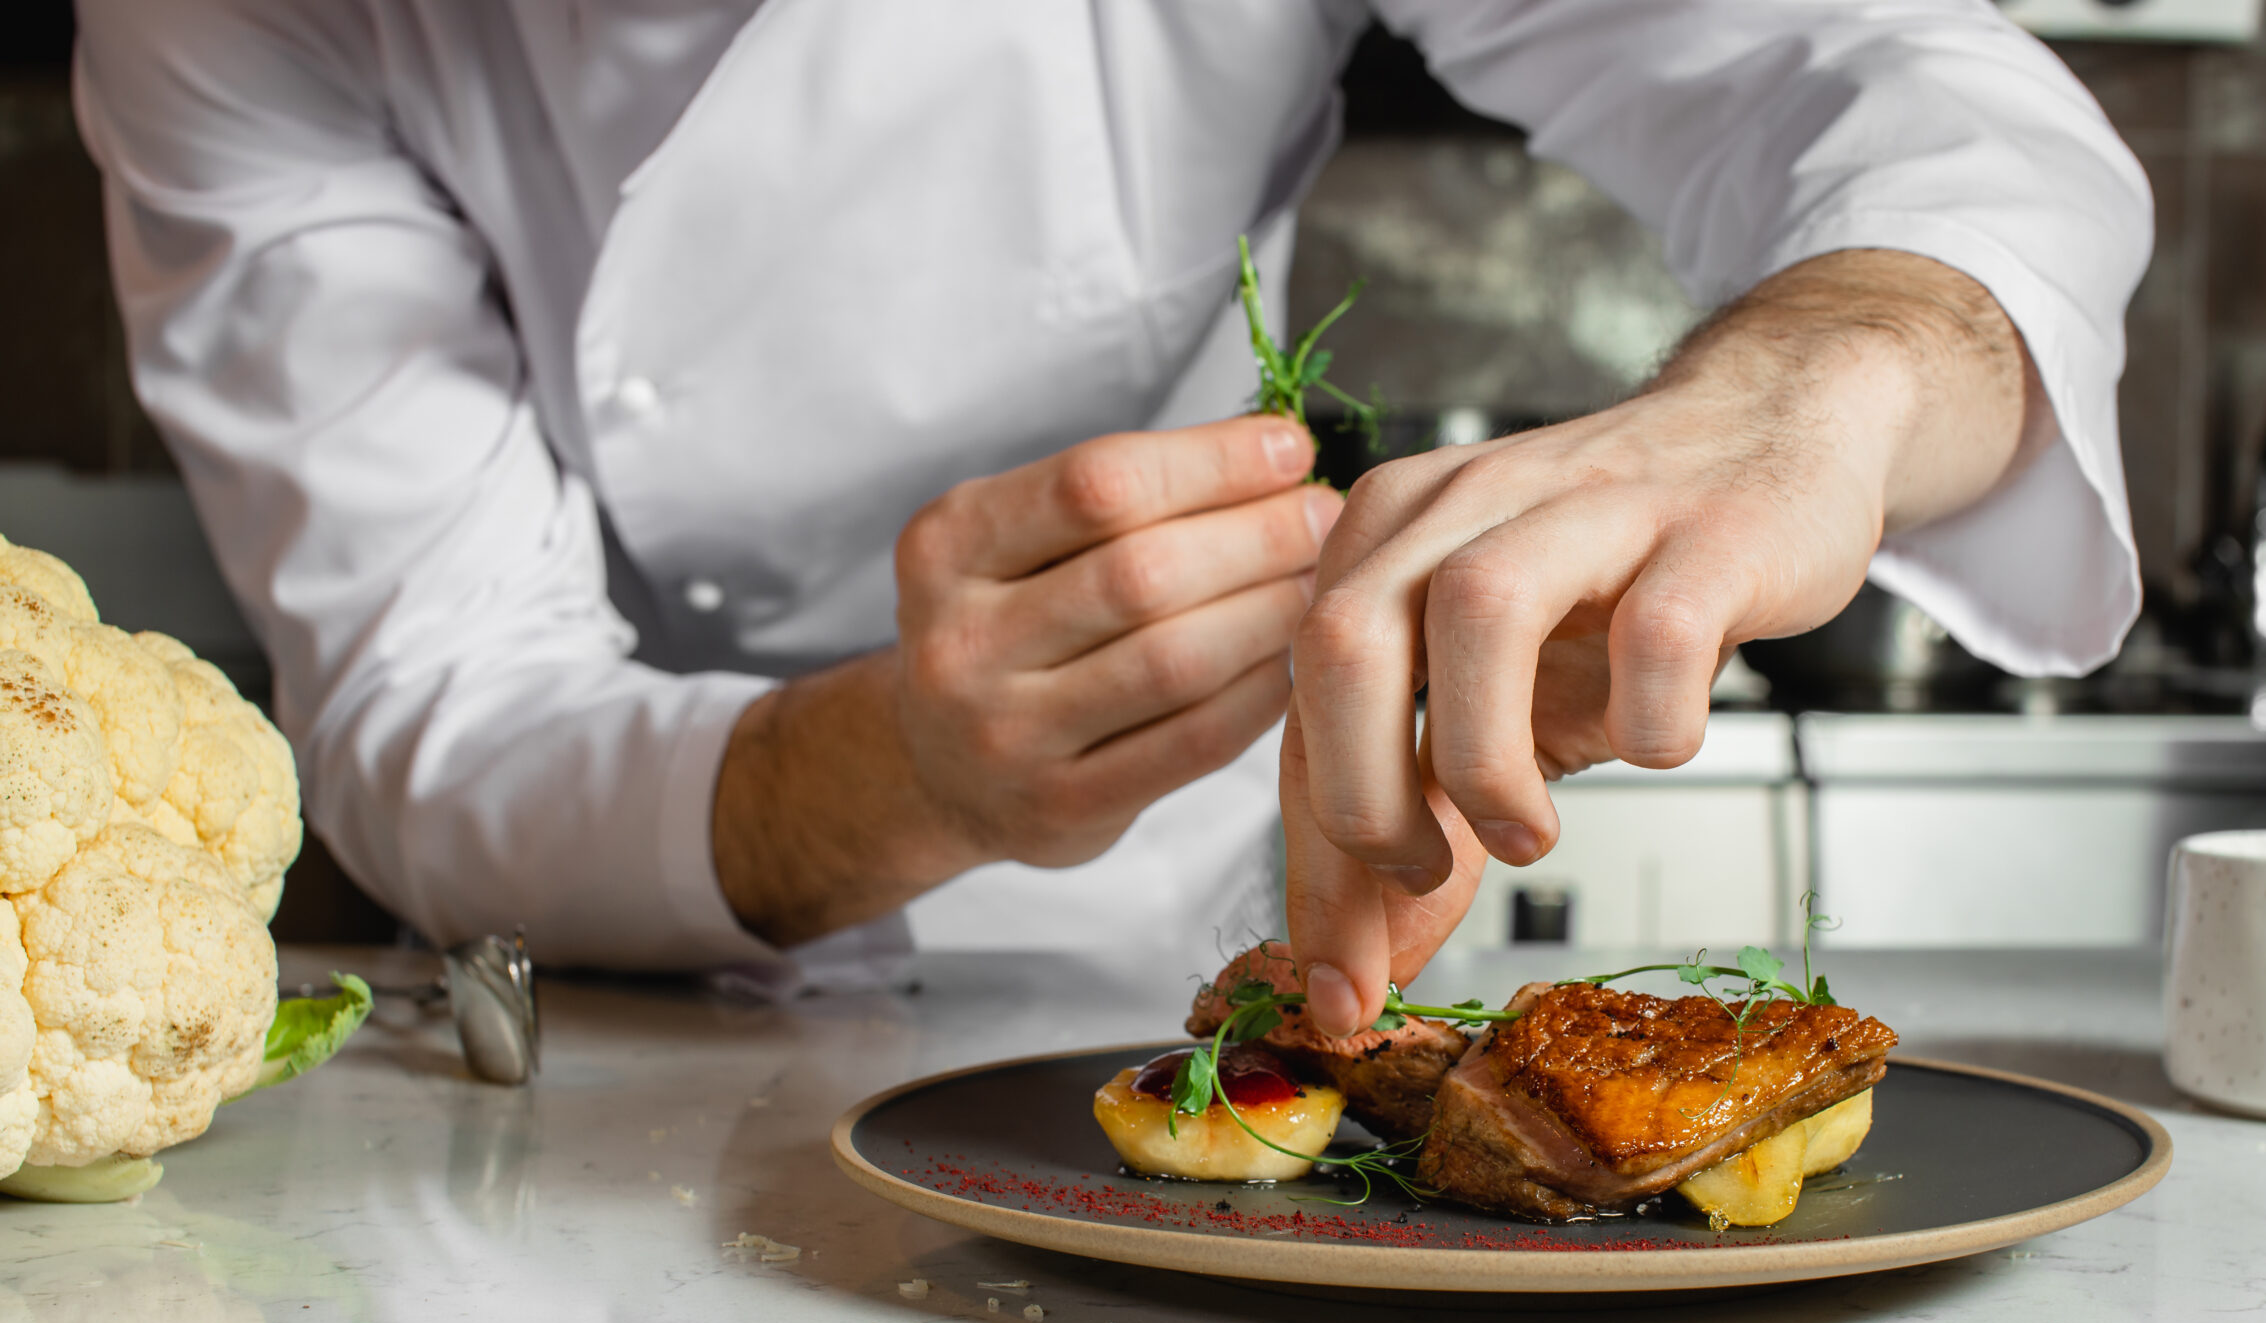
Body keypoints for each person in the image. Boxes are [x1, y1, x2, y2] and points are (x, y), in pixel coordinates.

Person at [73, 0, 2149, 1013]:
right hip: (587, 1031)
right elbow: (433, 715)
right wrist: (900, 764)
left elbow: (1910, 97)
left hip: (1136, 970)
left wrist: (1804, 387)